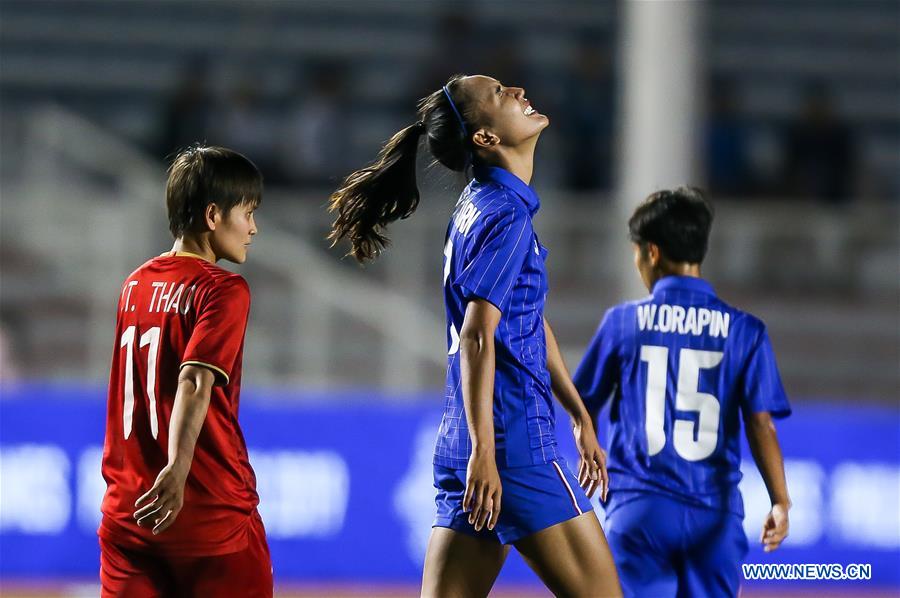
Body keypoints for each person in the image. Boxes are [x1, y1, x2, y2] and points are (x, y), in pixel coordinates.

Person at [328, 74, 622, 597]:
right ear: (485, 138)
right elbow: (477, 335)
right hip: (513, 446)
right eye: (499, 95)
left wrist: (577, 413)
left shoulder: (476, 203)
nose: (517, 92)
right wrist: (488, 450)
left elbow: (523, 321)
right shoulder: (506, 215)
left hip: (463, 441)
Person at [573, 188, 792, 597]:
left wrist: (589, 447)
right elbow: (762, 424)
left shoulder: (624, 323)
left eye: (637, 252)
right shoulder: (746, 331)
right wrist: (780, 501)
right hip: (714, 515)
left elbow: (581, 401)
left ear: (652, 252)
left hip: (639, 510)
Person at [98, 145, 272, 597]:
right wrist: (177, 469)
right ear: (213, 215)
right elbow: (194, 381)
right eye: (248, 212)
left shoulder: (134, 283)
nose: (253, 228)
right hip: (210, 516)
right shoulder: (222, 289)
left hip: (130, 516)